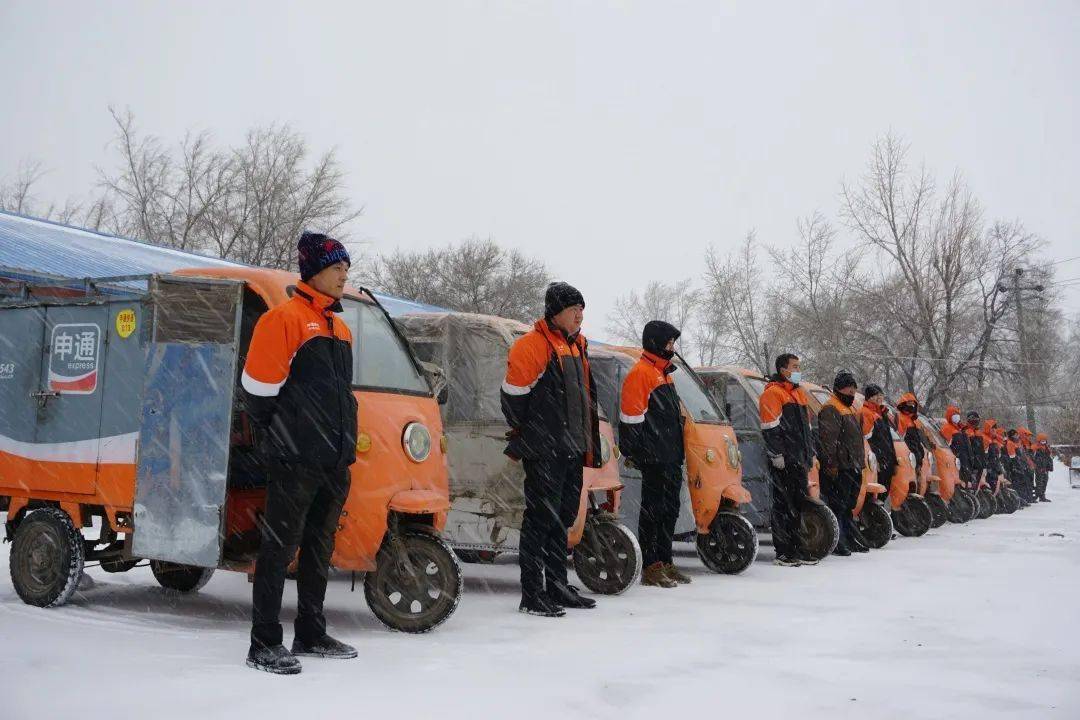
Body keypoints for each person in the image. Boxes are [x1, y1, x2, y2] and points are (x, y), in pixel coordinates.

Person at [241, 231, 358, 675]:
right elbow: (256, 391)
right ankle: (263, 642)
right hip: (295, 459)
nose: (344, 275)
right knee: (278, 548)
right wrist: (283, 436)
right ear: (314, 271)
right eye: (337, 267)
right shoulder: (283, 319)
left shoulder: (340, 327)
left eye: (347, 268)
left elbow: (338, 396)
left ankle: (310, 631)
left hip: (334, 460)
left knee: (319, 547)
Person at [501, 281, 602, 617]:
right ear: (556, 312)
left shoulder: (578, 346)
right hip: (545, 450)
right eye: (574, 310)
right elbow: (513, 399)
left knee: (562, 520)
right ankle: (532, 593)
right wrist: (536, 434)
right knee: (540, 520)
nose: (580, 316)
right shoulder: (532, 346)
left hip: (571, 449)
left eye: (582, 310)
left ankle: (557, 585)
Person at [619, 320, 688, 588]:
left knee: (670, 510)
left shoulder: (664, 374)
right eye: (669, 343)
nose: (672, 347)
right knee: (653, 511)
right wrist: (634, 451)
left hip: (670, 456)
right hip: (654, 457)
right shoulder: (642, 373)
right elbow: (630, 418)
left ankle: (665, 560)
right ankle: (651, 566)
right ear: (656, 343)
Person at [759, 353, 816, 566]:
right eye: (794, 366)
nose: (798, 370)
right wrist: (777, 454)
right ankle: (783, 551)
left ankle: (797, 548)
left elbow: (807, 429)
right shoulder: (773, 393)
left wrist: (809, 454)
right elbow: (769, 428)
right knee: (783, 505)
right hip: (783, 460)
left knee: (798, 504)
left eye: (799, 366)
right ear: (783, 370)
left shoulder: (799, 394)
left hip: (799, 458)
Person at [816, 371, 867, 555]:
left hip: (852, 465)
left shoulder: (849, 408)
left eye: (854, 389)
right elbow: (828, 440)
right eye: (848, 389)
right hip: (840, 467)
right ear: (838, 389)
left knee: (849, 505)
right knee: (839, 505)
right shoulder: (831, 408)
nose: (852, 393)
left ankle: (849, 537)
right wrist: (831, 464)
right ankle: (839, 541)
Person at [861, 385, 898, 503]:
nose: (879, 397)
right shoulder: (866, 413)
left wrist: (894, 461)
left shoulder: (882, 413)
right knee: (875, 495)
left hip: (887, 461)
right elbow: (867, 440)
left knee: (883, 493)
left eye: (881, 395)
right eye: (876, 395)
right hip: (877, 463)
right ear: (869, 397)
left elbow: (888, 440)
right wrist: (878, 459)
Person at [895, 392, 926, 483]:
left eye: (913, 404)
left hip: (916, 458)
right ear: (903, 404)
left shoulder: (914, 420)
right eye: (909, 403)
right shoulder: (900, 418)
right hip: (908, 458)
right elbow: (901, 439)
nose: (911, 406)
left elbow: (918, 440)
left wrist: (920, 453)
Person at [941, 405, 974, 490]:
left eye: (958, 415)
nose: (957, 417)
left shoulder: (960, 429)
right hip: (956, 463)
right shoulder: (947, 428)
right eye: (954, 415)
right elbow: (946, 446)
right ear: (950, 416)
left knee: (965, 487)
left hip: (964, 463)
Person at [1034, 433, 1053, 502]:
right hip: (1039, 468)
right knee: (1039, 483)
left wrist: (1049, 466)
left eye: (1044, 441)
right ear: (1039, 441)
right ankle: (1037, 496)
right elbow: (1035, 459)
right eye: (1042, 441)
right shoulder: (1036, 448)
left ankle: (1042, 496)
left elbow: (1048, 458)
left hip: (1045, 468)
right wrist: (1039, 466)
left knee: (1045, 482)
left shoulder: (1047, 448)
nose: (1043, 442)